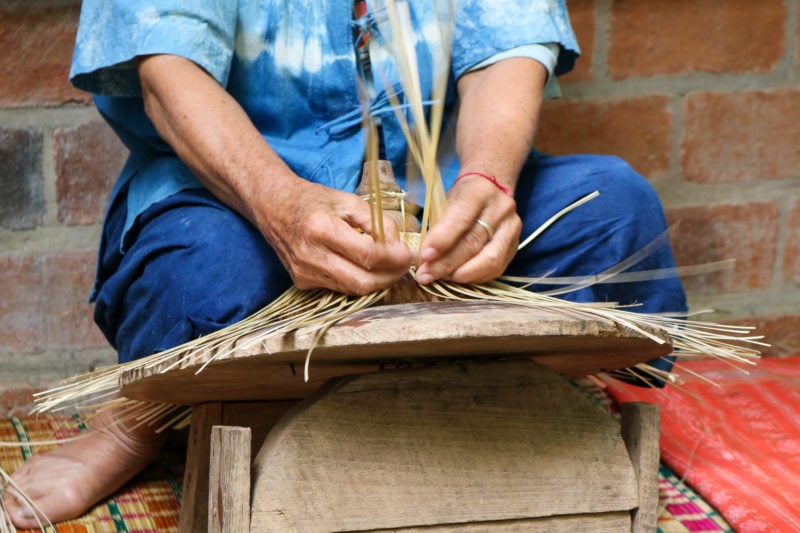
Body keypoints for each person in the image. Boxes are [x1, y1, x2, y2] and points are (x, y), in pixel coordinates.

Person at [8, 0, 687, 527]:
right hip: (237, 204)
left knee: (617, 217)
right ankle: (142, 415)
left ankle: (433, 384)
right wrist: (279, 205)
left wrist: (489, 183)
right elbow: (166, 71)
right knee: (204, 277)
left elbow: (506, 46)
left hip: (434, 203)